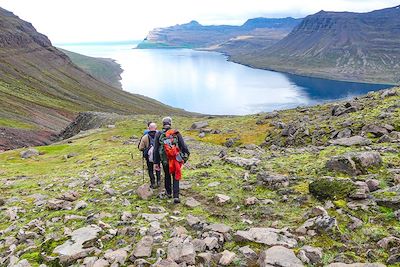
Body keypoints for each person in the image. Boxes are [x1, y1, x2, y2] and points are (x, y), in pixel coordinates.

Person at [154, 117, 190, 204]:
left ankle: (168, 193)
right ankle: (176, 196)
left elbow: (156, 149)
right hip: (175, 159)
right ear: (170, 123)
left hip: (165, 160)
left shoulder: (159, 134)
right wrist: (187, 153)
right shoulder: (176, 133)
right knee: (175, 175)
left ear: (163, 124)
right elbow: (183, 145)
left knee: (167, 175)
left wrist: (156, 162)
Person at [138, 122, 161, 188]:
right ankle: (158, 181)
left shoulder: (145, 137)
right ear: (156, 128)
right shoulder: (159, 135)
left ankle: (153, 183)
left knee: (150, 169)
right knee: (158, 168)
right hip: (157, 155)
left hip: (149, 156)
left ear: (149, 128)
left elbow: (140, 148)